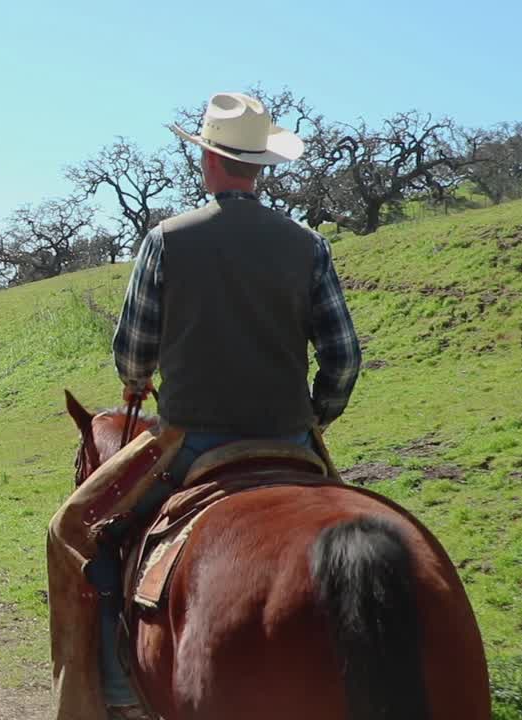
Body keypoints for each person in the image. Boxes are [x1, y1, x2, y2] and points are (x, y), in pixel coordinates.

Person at [99, 92, 362, 719]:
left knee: (98, 534)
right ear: (259, 164)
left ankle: (115, 690)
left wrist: (137, 380)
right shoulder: (308, 244)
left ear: (209, 159)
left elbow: (133, 352)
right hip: (290, 440)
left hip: (190, 442)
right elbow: (344, 358)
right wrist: (314, 415)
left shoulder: (166, 240)